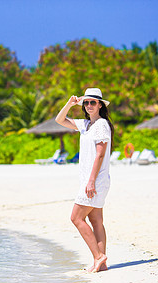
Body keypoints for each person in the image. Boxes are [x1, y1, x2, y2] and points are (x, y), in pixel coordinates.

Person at [56, 88, 114, 273]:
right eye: (86, 103)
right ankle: (101, 264)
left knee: (76, 218)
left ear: (100, 105)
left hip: (95, 180)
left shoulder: (102, 125)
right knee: (95, 219)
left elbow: (100, 155)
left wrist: (90, 182)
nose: (89, 106)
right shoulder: (86, 124)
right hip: (92, 180)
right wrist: (70, 103)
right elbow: (59, 120)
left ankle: (98, 256)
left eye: (93, 102)